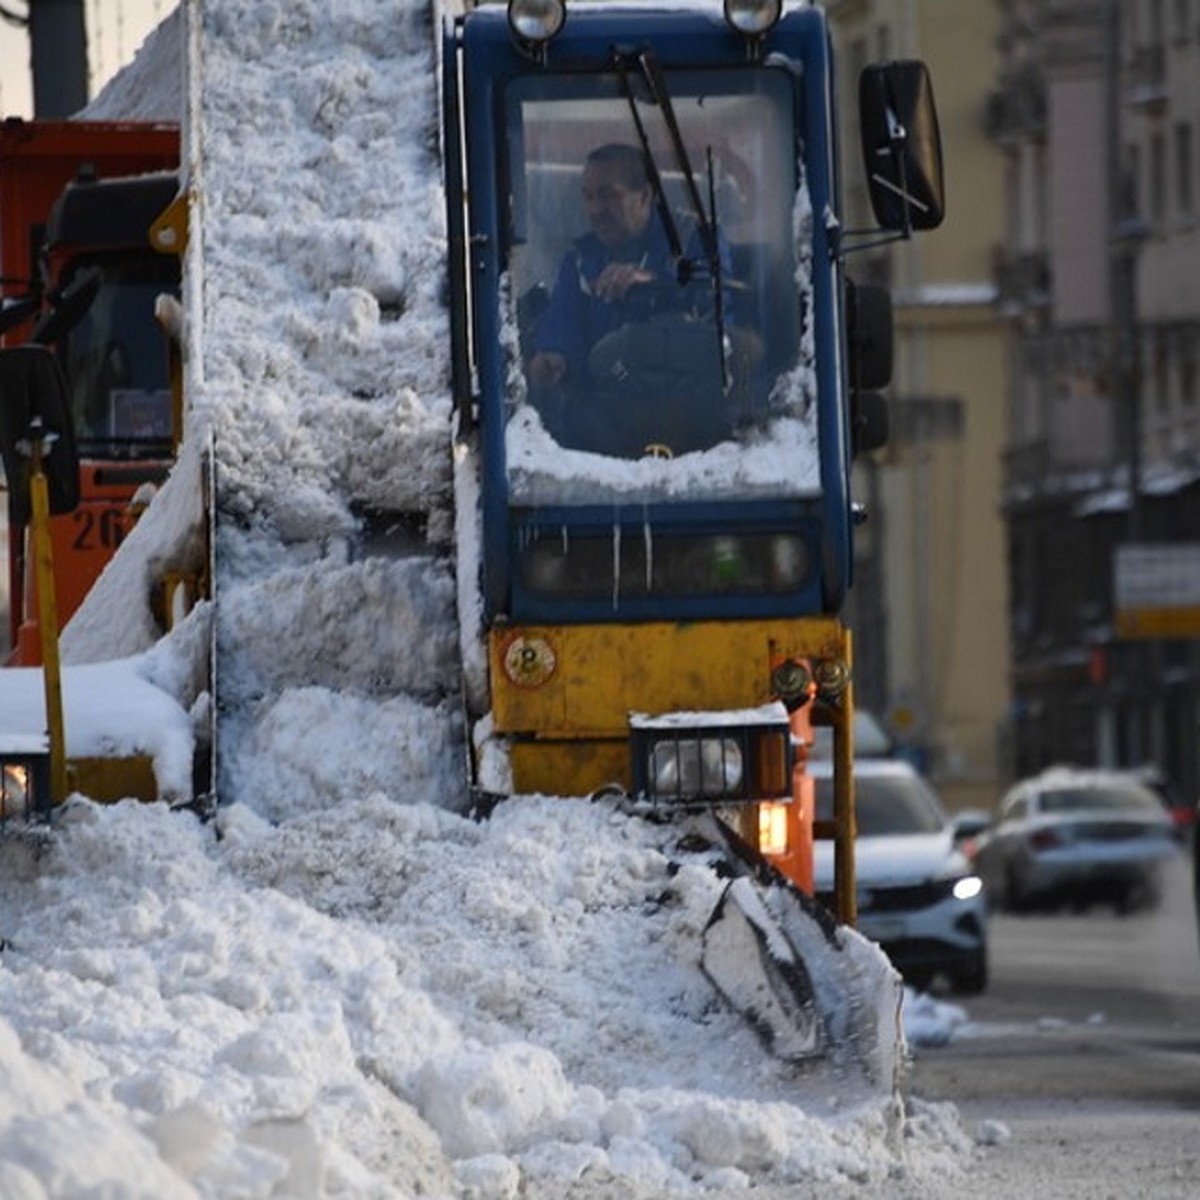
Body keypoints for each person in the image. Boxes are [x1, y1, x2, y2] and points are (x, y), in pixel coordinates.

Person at [527, 144, 734, 448]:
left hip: (693, 417)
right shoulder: (582, 258)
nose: (596, 209)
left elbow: (716, 301)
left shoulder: (697, 238)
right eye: (589, 196)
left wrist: (653, 283)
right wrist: (554, 355)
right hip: (608, 420)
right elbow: (563, 317)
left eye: (608, 195)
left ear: (646, 195)